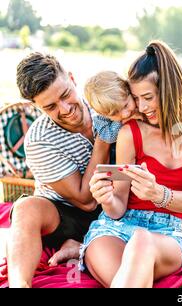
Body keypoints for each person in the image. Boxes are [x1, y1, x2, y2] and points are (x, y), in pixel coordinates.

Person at [83, 40, 182, 288]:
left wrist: (158, 193)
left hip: (166, 233)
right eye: (136, 98)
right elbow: (118, 208)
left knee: (141, 242)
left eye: (148, 97)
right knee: (129, 277)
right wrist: (105, 197)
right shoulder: (130, 132)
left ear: (171, 89)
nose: (142, 107)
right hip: (115, 229)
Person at [8, 52, 110, 288]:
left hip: (121, 206)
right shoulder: (39, 139)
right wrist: (104, 140)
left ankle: (79, 247)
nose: (65, 110)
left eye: (66, 95)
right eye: (51, 106)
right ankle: (19, 284)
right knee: (25, 208)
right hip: (68, 215)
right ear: (36, 106)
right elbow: (86, 201)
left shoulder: (105, 105)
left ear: (72, 79)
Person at [84, 70, 182, 237]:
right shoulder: (116, 128)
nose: (125, 115)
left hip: (160, 200)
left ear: (130, 92)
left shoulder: (149, 111)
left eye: (125, 106)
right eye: (114, 114)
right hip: (123, 179)